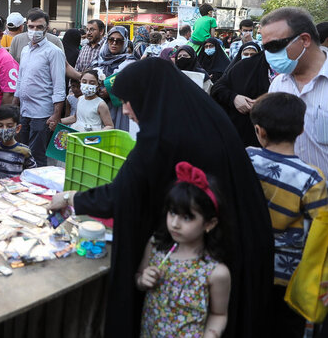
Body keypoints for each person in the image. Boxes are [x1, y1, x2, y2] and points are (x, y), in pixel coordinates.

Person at [48, 58, 273, 337]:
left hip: (213, 257)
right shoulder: (200, 112)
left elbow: (121, 195)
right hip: (241, 236)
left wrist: (71, 198)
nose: (126, 110)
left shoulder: (160, 135)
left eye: (130, 100)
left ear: (148, 95)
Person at [247, 92, 328, 338]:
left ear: (259, 131)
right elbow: (322, 229)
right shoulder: (312, 177)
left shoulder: (246, 158)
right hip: (289, 278)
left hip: (249, 265)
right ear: (301, 130)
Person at [136, 161, 231, 338]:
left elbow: (219, 314)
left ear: (209, 224)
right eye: (172, 213)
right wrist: (143, 280)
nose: (174, 224)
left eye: (187, 217)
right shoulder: (156, 246)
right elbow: (139, 278)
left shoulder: (215, 272)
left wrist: (212, 333)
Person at [263, 7, 328, 176]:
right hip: (287, 195)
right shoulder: (278, 85)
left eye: (275, 46)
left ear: (304, 40)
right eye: (266, 48)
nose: (270, 55)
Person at [13, 10, 66, 167]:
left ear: (46, 28)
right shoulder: (25, 50)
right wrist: (14, 105)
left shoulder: (54, 52)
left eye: (39, 27)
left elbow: (59, 86)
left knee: (37, 157)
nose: (34, 31)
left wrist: (56, 115)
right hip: (24, 111)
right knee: (22, 154)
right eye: (31, 26)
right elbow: (20, 79)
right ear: (26, 27)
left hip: (42, 113)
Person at [92, 26, 135, 130]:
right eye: (111, 40)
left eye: (119, 41)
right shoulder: (98, 59)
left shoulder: (130, 63)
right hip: (97, 108)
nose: (114, 43)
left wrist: (111, 91)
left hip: (118, 110)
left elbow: (134, 88)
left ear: (125, 42)